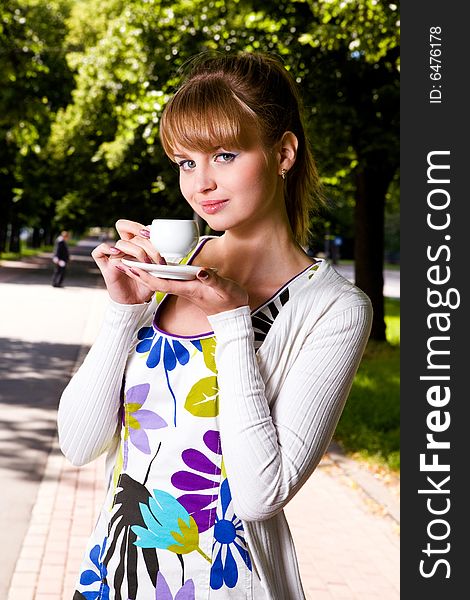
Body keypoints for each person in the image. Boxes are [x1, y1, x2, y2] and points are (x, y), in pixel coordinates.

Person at [58, 52, 372, 600]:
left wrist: (232, 323)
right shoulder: (166, 272)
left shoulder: (332, 308)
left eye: (224, 155)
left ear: (283, 153)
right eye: (185, 162)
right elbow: (80, 444)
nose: (201, 183)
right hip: (116, 580)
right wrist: (125, 310)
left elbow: (259, 495)